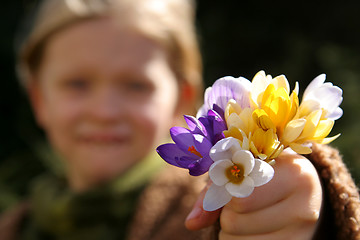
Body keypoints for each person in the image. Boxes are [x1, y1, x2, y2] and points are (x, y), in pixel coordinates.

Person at [0, 0, 359, 239]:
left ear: (184, 98)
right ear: (38, 99)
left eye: (136, 85)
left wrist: (315, 213)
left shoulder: (220, 215)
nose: (104, 111)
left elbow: (282, 208)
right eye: (76, 84)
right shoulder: (15, 227)